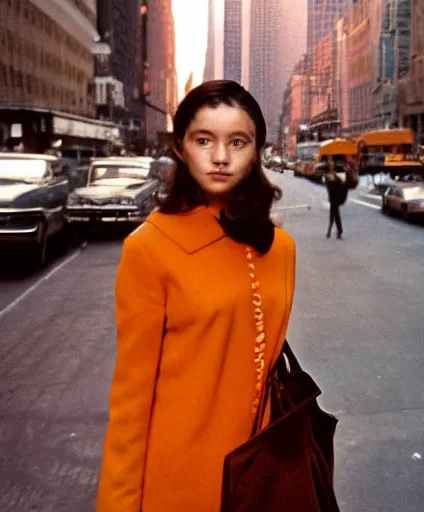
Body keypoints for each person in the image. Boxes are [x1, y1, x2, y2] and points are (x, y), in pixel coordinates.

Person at [96, 80, 296, 512]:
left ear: (257, 149)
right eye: (204, 140)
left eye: (237, 141)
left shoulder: (280, 248)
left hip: (264, 479)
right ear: (181, 148)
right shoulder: (149, 249)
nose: (220, 157)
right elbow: (130, 404)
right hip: (179, 486)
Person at [323, 157, 348, 239]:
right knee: (334, 214)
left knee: (334, 214)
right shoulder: (326, 174)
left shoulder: (337, 171)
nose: (331, 165)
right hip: (332, 196)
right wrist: (330, 178)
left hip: (336, 197)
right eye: (330, 163)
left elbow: (342, 182)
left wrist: (335, 175)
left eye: (332, 163)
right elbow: (326, 182)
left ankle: (331, 231)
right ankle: (337, 231)